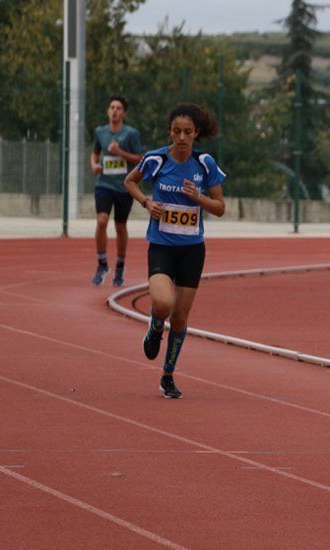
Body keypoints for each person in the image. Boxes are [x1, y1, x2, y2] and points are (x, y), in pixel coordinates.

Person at [123, 104, 226, 399]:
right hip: (161, 247)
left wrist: (199, 197)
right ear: (169, 131)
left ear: (196, 134)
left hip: (192, 250)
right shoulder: (156, 159)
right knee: (163, 303)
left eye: (188, 132)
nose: (182, 137)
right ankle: (156, 324)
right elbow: (129, 181)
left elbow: (220, 208)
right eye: (177, 131)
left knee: (180, 318)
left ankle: (167, 375)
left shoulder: (204, 164)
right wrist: (146, 202)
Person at [90, 95, 144, 286]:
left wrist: (120, 152)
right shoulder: (101, 132)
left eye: (118, 108)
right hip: (103, 184)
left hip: (124, 186)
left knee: (120, 226)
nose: (114, 111)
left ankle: (120, 265)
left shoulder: (131, 134)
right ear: (108, 111)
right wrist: (94, 164)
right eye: (112, 107)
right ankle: (102, 263)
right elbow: (95, 153)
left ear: (124, 113)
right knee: (101, 220)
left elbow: (141, 158)